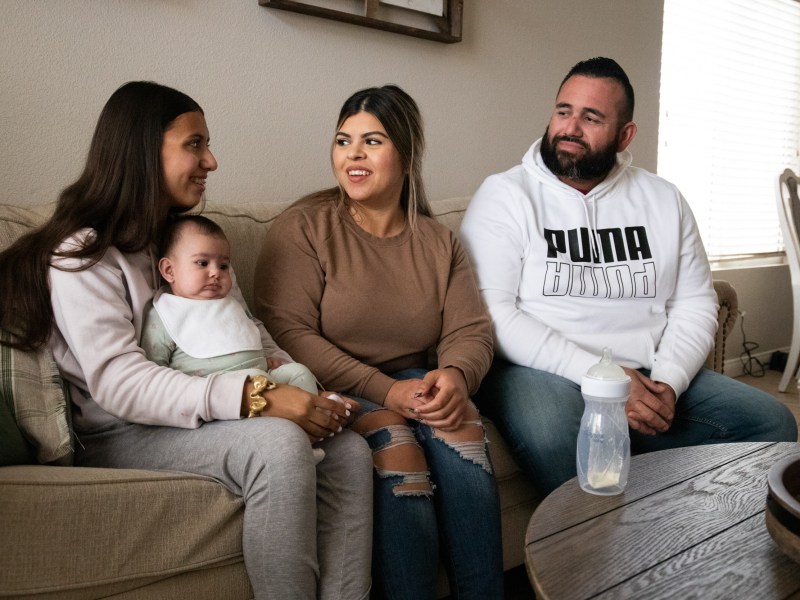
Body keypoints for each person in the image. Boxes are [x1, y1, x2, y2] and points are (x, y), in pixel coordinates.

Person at [0, 81, 373, 600]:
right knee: (280, 444)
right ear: (142, 153)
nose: (211, 160)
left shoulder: (193, 244)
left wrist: (302, 392)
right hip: (120, 433)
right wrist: (256, 398)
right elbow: (119, 383)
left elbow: (252, 333)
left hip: (207, 412)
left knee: (350, 449)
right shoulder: (83, 255)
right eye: (194, 144)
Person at [460, 57, 798, 495]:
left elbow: (695, 303)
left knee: (772, 421)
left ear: (625, 135)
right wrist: (603, 378)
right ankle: (590, 556)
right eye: (563, 111)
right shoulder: (505, 195)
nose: (570, 128)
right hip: (540, 371)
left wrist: (669, 383)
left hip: (648, 370)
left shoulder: (664, 200)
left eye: (591, 117)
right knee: (551, 432)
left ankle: (691, 540)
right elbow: (493, 314)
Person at [254, 85, 504, 600]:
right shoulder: (304, 228)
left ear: (407, 156)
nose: (354, 155)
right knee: (395, 445)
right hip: (327, 385)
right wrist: (385, 392)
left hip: (412, 380)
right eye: (343, 141)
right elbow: (288, 333)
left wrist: (455, 374)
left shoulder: (438, 241)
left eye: (372, 141)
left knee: (459, 430)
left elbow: (470, 329)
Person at [142, 214, 326, 462]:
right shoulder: (166, 315)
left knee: (299, 372)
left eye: (223, 265)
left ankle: (312, 428)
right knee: (259, 379)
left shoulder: (231, 304)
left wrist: (268, 358)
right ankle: (294, 446)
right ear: (169, 270)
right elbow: (155, 370)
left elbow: (247, 335)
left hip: (262, 375)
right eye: (202, 263)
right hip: (221, 397)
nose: (215, 273)